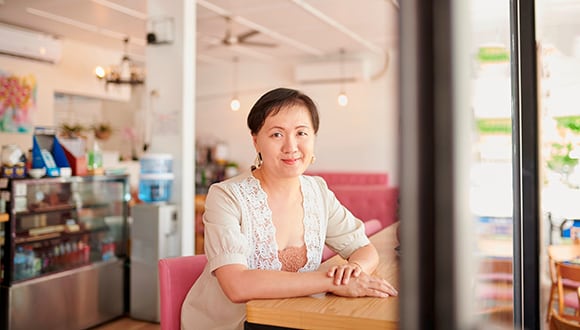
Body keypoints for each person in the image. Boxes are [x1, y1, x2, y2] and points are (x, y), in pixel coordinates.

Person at [181, 87, 398, 329]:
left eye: (302, 133)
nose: (291, 146)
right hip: (233, 323)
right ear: (256, 141)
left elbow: (364, 248)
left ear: (314, 138)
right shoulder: (226, 196)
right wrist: (330, 282)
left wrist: (352, 272)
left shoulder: (318, 191)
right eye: (276, 134)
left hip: (291, 316)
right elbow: (237, 285)